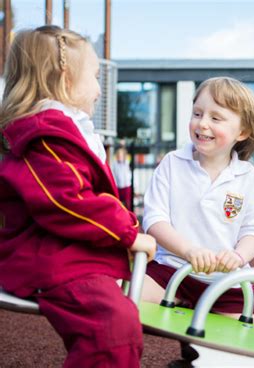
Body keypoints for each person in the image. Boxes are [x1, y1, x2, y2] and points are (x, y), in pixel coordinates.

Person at [0, 26, 157, 368]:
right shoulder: (46, 134)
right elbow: (67, 200)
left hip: (65, 252)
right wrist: (128, 231)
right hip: (51, 257)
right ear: (65, 79)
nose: (100, 91)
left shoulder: (61, 130)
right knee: (112, 326)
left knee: (122, 316)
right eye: (96, 77)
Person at [142, 76, 254, 330]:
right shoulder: (173, 163)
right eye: (197, 113)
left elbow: (253, 231)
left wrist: (238, 256)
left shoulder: (248, 177)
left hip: (227, 281)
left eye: (215, 118)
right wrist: (189, 251)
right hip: (171, 270)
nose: (202, 123)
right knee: (120, 302)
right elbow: (155, 220)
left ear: (242, 132)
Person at [111, 144, 133, 210]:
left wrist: (123, 146)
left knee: (127, 202)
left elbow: (129, 173)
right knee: (119, 201)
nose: (120, 156)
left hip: (126, 186)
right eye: (118, 155)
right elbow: (113, 174)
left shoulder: (126, 162)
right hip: (118, 186)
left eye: (121, 155)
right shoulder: (114, 164)